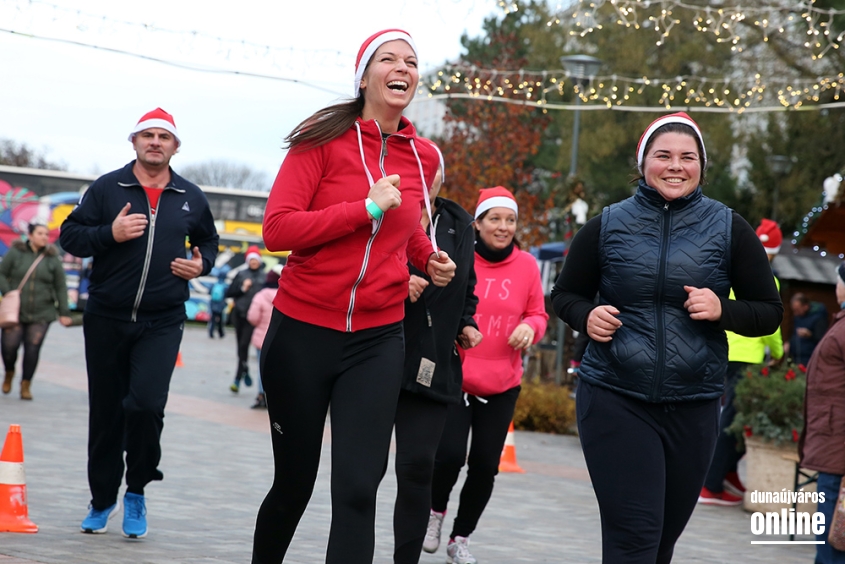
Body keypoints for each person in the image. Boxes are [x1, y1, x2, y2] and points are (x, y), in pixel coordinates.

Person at [251, 29, 456, 564]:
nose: (402, 68)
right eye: (388, 59)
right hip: (302, 331)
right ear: (364, 76)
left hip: (377, 339)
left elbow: (406, 228)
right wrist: (362, 209)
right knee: (293, 486)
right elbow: (277, 231)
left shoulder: (423, 156)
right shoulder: (321, 141)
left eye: (411, 62)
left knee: (359, 491)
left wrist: (425, 257)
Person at [551, 112, 783, 563]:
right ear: (643, 163)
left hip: (693, 406)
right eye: (663, 156)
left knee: (659, 544)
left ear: (702, 166)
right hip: (616, 395)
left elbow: (768, 313)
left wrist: (723, 310)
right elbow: (564, 294)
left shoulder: (729, 228)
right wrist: (587, 314)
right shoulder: (607, 224)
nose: (676, 165)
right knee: (635, 537)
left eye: (687, 157)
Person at [59, 107, 218, 539]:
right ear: (133, 141)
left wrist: (201, 266)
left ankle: (137, 489)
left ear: (175, 147)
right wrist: (108, 233)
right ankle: (102, 498)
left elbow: (208, 241)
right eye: (147, 135)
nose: (155, 142)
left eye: (163, 137)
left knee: (146, 405)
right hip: (106, 317)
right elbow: (70, 235)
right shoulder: (108, 188)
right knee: (107, 413)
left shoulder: (191, 196)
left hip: (162, 320)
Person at [425, 186, 548, 564]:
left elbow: (538, 313)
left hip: (502, 383)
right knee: (448, 456)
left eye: (510, 220)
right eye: (494, 218)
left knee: (484, 465)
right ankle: (435, 513)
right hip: (458, 377)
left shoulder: (527, 265)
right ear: (477, 224)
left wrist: (531, 328)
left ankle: (460, 537)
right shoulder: (462, 258)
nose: (503, 226)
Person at [392, 147, 482, 564]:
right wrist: (397, 283)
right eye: (414, 170)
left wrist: (466, 321)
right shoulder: (382, 211)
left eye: (431, 171)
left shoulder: (460, 222)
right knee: (363, 476)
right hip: (376, 355)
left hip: (432, 362)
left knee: (416, 472)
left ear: (440, 178)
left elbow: (467, 284)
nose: (423, 178)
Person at [699, 218, 785, 506]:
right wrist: (779, 354)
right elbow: (772, 324)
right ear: (774, 251)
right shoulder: (768, 278)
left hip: (724, 351)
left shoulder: (730, 267)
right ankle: (710, 485)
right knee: (734, 421)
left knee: (727, 416)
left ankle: (728, 475)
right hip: (749, 359)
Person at [799, 262, 845, 564]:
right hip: (832, 437)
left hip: (837, 442)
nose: (836, 286)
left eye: (839, 280)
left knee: (831, 530)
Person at [0, 223, 73, 400]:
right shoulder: (16, 253)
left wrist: (64, 312)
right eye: (40, 233)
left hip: (42, 312)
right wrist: (8, 292)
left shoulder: (52, 258)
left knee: (33, 349)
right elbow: (1, 273)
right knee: (9, 347)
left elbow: (60, 286)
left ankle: (26, 383)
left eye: (46, 234)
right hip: (16, 310)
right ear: (30, 235)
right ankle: (9, 371)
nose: (44, 237)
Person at [226, 245, 265, 392]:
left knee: (244, 346)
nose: (253, 262)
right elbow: (229, 292)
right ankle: (244, 371)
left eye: (255, 259)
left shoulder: (264, 276)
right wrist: (242, 288)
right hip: (239, 315)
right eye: (251, 260)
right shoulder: (241, 274)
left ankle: (238, 377)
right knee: (240, 348)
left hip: (254, 319)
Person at [246, 266, 281, 410]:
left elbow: (252, 317)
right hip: (280, 339)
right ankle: (276, 397)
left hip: (262, 339)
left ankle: (262, 395)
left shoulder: (260, 295)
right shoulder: (285, 295)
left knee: (263, 369)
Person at [786, 292, 828, 367]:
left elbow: (822, 339)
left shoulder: (819, 318)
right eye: (794, 310)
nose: (795, 313)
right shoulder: (797, 317)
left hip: (810, 359)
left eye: (797, 310)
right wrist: (789, 343)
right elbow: (794, 334)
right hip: (796, 358)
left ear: (805, 306)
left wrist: (810, 335)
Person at [207, 269, 228, 339]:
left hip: (213, 303)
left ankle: (211, 332)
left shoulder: (214, 284)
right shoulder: (225, 286)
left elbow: (209, 292)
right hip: (221, 304)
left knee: (213, 319)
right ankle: (221, 333)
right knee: (220, 319)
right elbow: (227, 294)